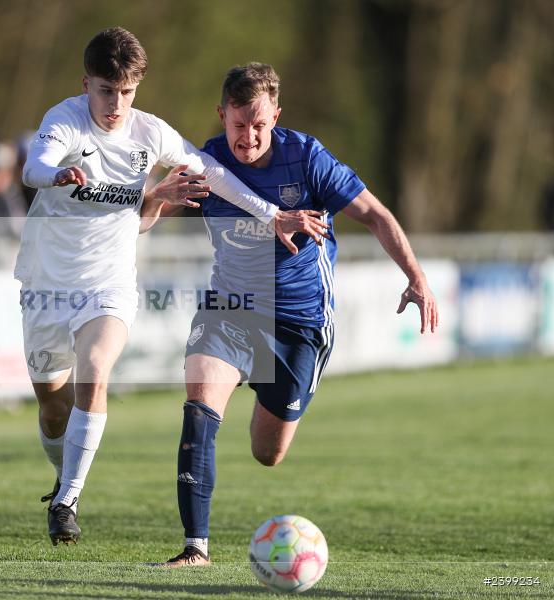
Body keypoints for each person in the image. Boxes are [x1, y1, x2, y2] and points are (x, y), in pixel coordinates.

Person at [18, 29, 328, 546]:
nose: (115, 104)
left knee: (95, 373)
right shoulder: (64, 119)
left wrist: (273, 215)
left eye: (126, 92)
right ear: (86, 84)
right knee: (54, 408)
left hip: (108, 281)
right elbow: (33, 167)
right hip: (47, 280)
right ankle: (61, 477)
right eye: (104, 90)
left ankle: (68, 500)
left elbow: (213, 173)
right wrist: (57, 175)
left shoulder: (149, 132)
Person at [145, 63, 439, 567]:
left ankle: (268, 395)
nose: (249, 136)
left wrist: (416, 276)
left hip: (300, 323)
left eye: (259, 124)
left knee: (268, 453)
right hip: (231, 308)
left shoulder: (306, 158)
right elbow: (143, 219)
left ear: (275, 116)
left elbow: (373, 214)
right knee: (198, 404)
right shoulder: (208, 164)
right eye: (239, 124)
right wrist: (155, 197)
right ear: (222, 116)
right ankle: (196, 547)